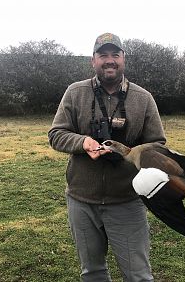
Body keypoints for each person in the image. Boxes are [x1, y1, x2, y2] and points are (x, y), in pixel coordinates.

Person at [48, 32, 166, 282]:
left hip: (127, 200)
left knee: (138, 276)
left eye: (115, 55)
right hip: (82, 201)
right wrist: (84, 142)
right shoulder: (75, 92)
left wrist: (130, 154)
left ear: (124, 59)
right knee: (92, 273)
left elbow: (158, 144)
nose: (109, 60)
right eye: (103, 55)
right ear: (93, 60)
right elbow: (56, 134)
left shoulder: (143, 98)